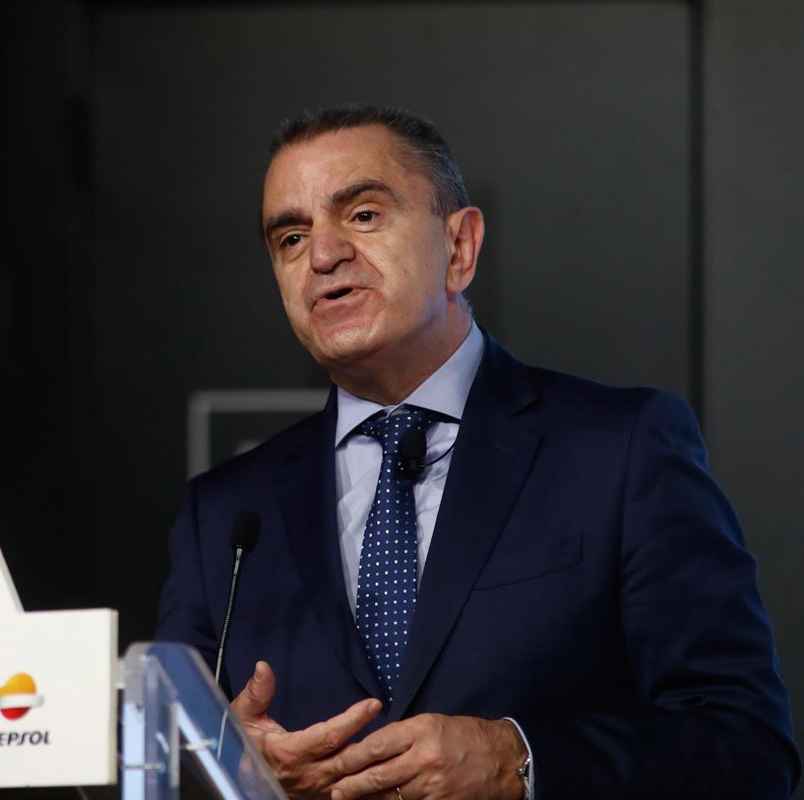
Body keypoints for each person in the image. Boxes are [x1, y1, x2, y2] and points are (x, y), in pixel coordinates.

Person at [154, 104, 800, 799]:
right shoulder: (225, 515)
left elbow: (747, 747)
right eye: (291, 236)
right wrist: (230, 770)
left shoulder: (620, 451)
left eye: (364, 215)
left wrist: (518, 760)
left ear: (459, 247)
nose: (322, 256)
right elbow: (156, 760)